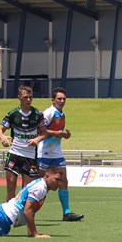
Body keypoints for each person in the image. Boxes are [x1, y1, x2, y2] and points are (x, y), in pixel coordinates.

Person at [38, 87, 84, 221]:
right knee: (39, 183)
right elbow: (41, 131)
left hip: (56, 153)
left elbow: (57, 133)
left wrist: (65, 135)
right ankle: (26, 208)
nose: (62, 101)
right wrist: (57, 133)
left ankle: (67, 213)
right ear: (53, 100)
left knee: (63, 180)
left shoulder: (61, 114)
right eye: (59, 98)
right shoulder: (48, 113)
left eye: (64, 99)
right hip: (44, 153)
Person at [0, 85, 47, 201]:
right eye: (25, 97)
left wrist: (37, 140)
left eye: (30, 97)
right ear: (19, 97)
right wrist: (2, 137)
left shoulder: (37, 114)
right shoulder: (13, 114)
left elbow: (44, 133)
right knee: (11, 185)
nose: (28, 100)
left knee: (26, 190)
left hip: (30, 156)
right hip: (14, 153)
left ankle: (21, 216)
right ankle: (9, 216)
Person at [0, 167, 63, 238]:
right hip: (2, 217)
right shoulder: (40, 188)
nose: (59, 183)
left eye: (60, 181)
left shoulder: (41, 185)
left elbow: (32, 210)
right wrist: (35, 234)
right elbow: (28, 211)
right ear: (47, 176)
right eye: (56, 179)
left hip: (2, 215)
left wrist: (31, 231)